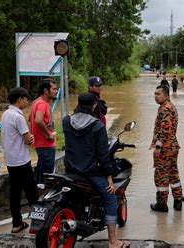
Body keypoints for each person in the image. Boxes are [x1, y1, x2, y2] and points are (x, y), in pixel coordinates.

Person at [62, 92, 130, 248]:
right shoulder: (97, 125)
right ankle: (113, 242)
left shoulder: (66, 121)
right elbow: (102, 156)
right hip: (90, 173)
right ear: (94, 106)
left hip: (70, 171)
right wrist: (109, 178)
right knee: (110, 198)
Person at [1, 87, 38, 233]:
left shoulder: (6, 114)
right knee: (32, 192)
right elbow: (28, 139)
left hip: (10, 159)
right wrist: (32, 138)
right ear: (19, 99)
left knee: (14, 193)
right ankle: (37, 222)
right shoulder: (18, 117)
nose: (27, 101)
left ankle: (17, 223)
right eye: (25, 99)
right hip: (21, 160)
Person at [149, 85, 182, 212]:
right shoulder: (167, 107)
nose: (156, 96)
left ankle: (162, 204)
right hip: (172, 146)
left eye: (158, 94)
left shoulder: (166, 110)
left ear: (166, 95)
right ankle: (178, 201)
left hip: (165, 148)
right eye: (155, 94)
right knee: (173, 174)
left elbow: (165, 129)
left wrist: (158, 146)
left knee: (161, 176)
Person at [29, 78, 58, 184]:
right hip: (46, 146)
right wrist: (48, 134)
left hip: (40, 145)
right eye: (54, 89)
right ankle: (44, 199)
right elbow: (38, 120)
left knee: (40, 178)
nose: (56, 91)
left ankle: (38, 199)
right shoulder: (42, 104)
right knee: (47, 178)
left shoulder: (35, 102)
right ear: (46, 91)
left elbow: (30, 119)